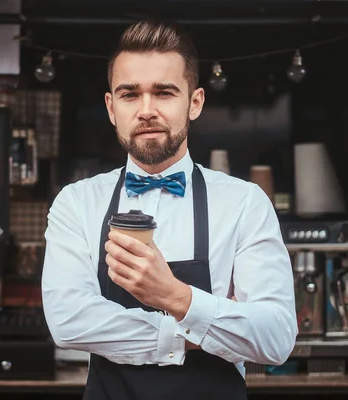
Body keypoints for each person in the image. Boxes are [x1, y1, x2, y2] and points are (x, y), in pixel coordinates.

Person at [41, 19, 297, 400]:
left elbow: (274, 338)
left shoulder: (244, 202)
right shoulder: (77, 203)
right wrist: (198, 326)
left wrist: (174, 296)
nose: (146, 110)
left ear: (194, 102)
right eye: (130, 95)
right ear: (111, 107)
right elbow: (69, 323)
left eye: (164, 93)